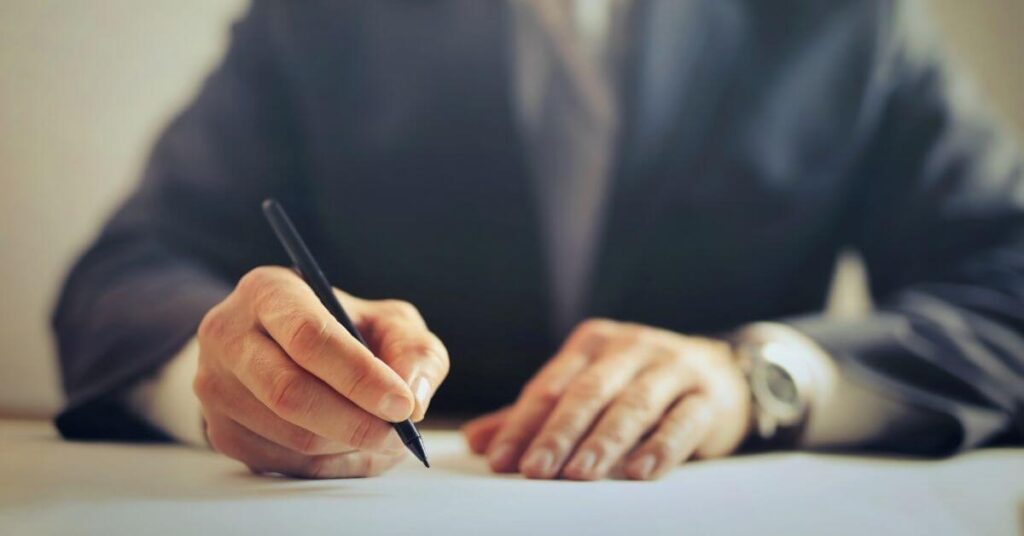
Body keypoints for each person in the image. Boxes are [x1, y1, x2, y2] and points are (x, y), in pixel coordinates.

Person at [53, 0, 1024, 480]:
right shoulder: (320, 18)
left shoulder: (843, 22)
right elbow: (125, 277)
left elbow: (1006, 280)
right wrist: (237, 374)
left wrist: (762, 379)